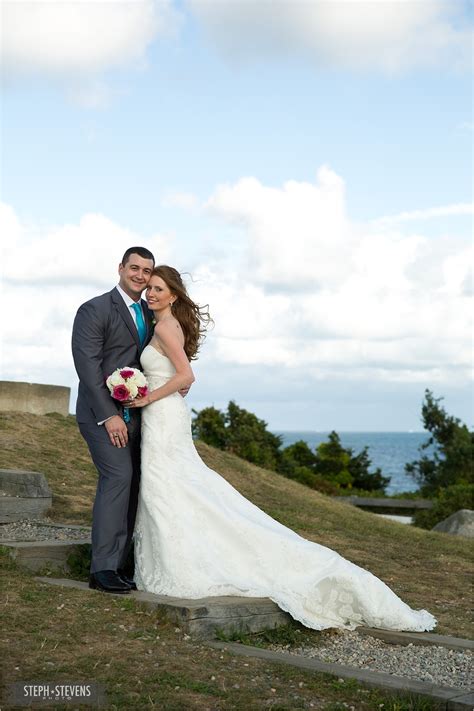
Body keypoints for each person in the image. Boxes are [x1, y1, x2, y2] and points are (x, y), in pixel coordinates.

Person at [126, 265, 436, 632]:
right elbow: (178, 373)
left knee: (168, 485)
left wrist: (146, 397)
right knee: (173, 486)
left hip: (163, 414)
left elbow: (186, 376)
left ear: (173, 295)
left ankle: (181, 563)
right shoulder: (169, 324)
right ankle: (175, 555)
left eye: (159, 289)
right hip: (166, 415)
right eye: (151, 288)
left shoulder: (164, 326)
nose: (152, 294)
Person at [71, 247, 156, 594]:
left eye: (146, 271)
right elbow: (88, 368)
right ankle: (101, 569)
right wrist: (108, 415)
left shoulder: (150, 313)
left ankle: (120, 565)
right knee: (118, 476)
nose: (139, 275)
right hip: (100, 414)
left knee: (135, 483)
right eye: (134, 267)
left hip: (138, 413)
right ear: (120, 268)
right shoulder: (95, 309)